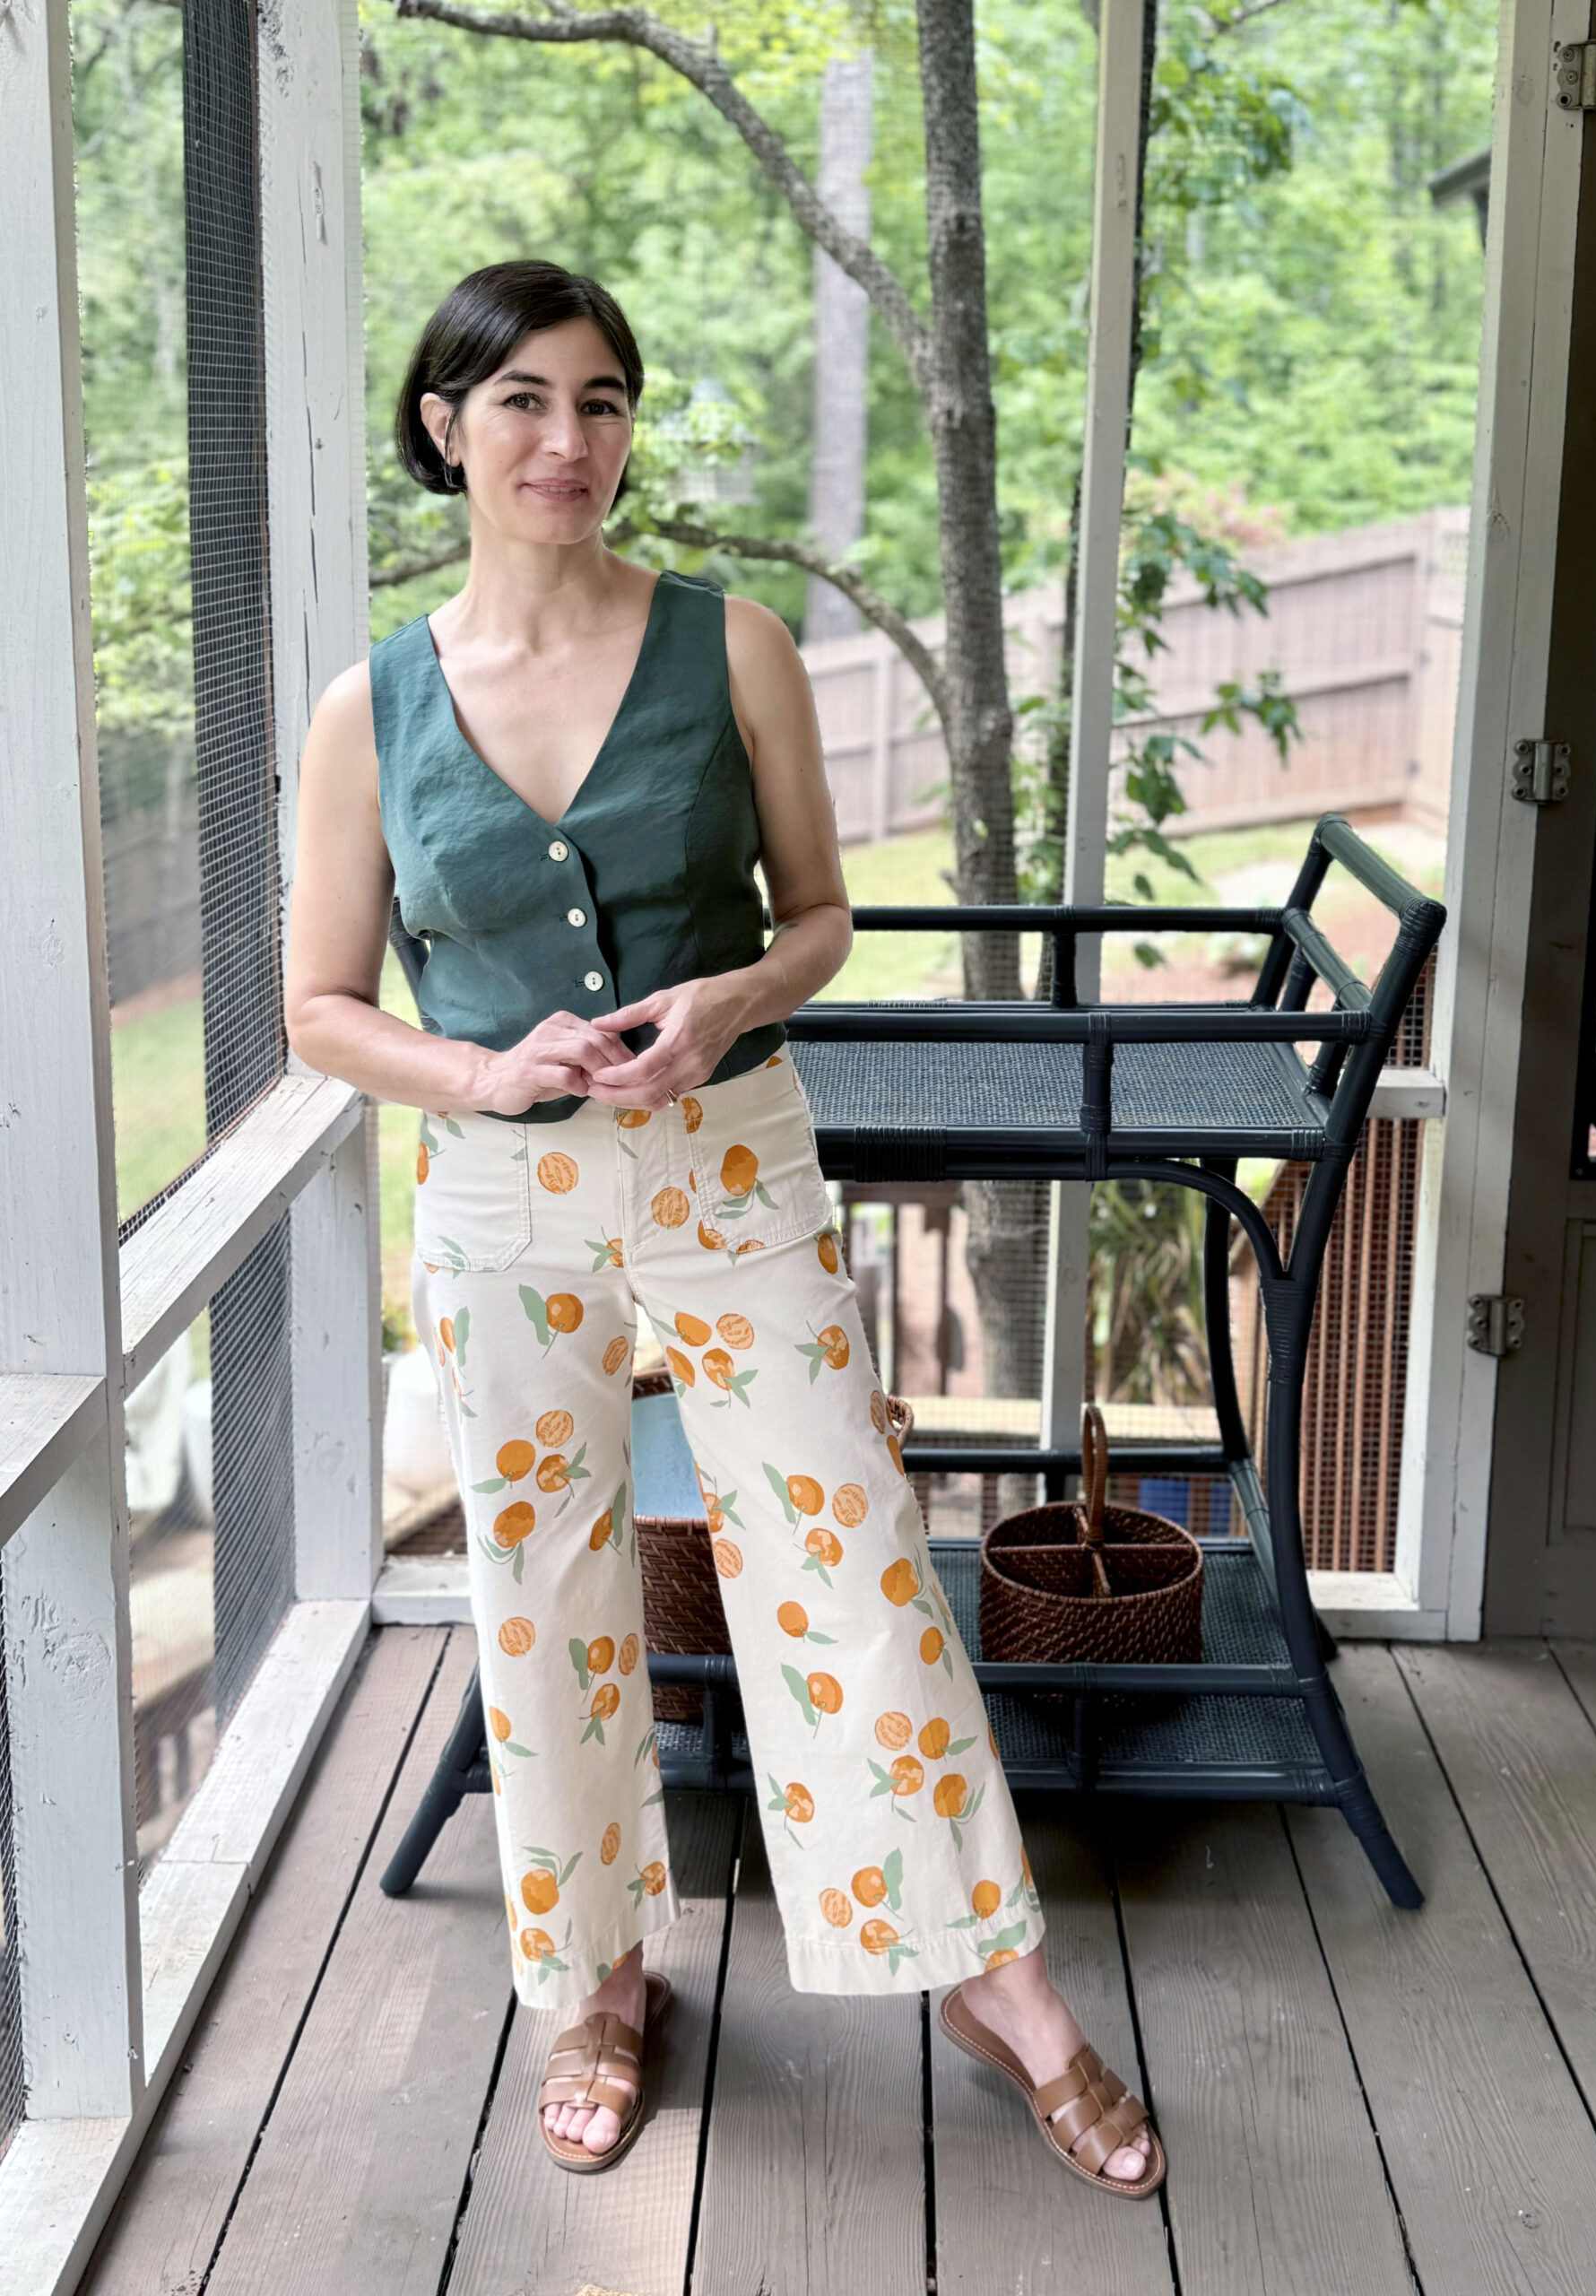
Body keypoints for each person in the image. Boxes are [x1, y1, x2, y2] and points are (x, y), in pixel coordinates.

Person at [282, 259, 1162, 2198]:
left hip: (732, 1175)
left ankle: (994, 1981)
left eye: (601, 401)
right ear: (447, 427)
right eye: (521, 400)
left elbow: (824, 914)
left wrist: (732, 1003)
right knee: (547, 1606)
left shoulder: (731, 644)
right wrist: (483, 1074)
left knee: (848, 1559)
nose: (567, 441)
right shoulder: (371, 707)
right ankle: (601, 1980)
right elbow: (319, 1007)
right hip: (506, 1204)